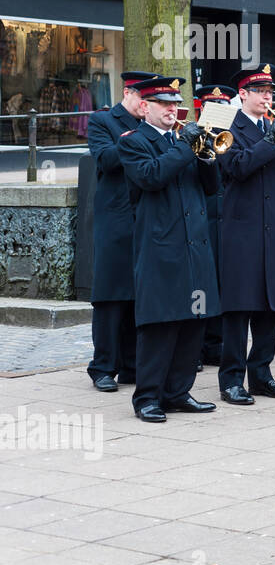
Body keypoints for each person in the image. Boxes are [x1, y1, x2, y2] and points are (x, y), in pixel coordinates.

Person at [116, 77, 220, 422]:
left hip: (195, 245)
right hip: (161, 247)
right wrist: (185, 148)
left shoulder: (183, 140)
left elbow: (211, 188)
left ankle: (178, 392)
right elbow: (150, 176)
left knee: (193, 322)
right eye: (164, 104)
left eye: (175, 104)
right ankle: (147, 397)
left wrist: (207, 157)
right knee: (159, 324)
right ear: (144, 107)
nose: (172, 110)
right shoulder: (134, 142)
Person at [216, 64, 275, 404]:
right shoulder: (226, 127)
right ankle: (230, 379)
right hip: (243, 231)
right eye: (260, 91)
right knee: (240, 309)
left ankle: (260, 375)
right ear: (243, 93)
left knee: (272, 307)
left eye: (270, 91)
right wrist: (272, 140)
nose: (268, 96)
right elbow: (236, 167)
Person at [86, 70, 154, 392]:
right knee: (111, 295)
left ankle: (131, 366)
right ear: (128, 93)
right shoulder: (103, 121)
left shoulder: (150, 123)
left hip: (147, 215)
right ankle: (102, 367)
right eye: (144, 98)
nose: (146, 104)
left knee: (140, 293)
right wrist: (134, 139)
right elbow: (105, 159)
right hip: (116, 217)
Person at [194, 84, 235, 368]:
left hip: (227, 215)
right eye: (212, 106)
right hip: (202, 215)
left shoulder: (229, 136)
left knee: (223, 279)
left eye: (221, 106)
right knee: (201, 283)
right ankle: (195, 347)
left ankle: (215, 344)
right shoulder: (196, 135)